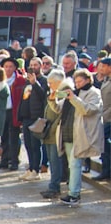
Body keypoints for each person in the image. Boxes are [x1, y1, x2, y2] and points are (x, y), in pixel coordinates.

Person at [53, 68, 104, 205]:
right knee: (72, 164)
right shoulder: (74, 93)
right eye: (76, 81)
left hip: (82, 134)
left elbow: (87, 110)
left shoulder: (94, 93)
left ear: (88, 80)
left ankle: (74, 194)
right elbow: (58, 109)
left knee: (75, 164)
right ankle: (73, 192)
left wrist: (74, 98)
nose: (77, 83)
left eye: (80, 81)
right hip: (68, 133)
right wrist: (52, 99)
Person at [40, 70, 69, 199]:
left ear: (58, 82)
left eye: (51, 83)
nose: (49, 85)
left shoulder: (64, 91)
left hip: (56, 131)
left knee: (55, 161)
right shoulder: (54, 91)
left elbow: (58, 111)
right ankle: (53, 185)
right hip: (50, 130)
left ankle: (54, 187)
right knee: (52, 160)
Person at [18, 67, 48, 181]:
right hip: (26, 117)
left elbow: (43, 96)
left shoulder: (43, 81)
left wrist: (35, 83)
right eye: (31, 64)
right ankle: (30, 168)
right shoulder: (26, 82)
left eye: (36, 65)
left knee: (35, 145)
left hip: (36, 118)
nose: (33, 67)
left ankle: (36, 170)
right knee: (28, 145)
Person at [0, 56, 27, 171]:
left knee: (14, 137)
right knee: (4, 137)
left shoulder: (20, 80)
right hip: (2, 111)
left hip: (15, 111)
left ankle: (14, 161)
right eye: (6, 66)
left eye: (10, 66)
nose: (8, 69)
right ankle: (4, 160)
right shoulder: (0, 80)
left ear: (15, 67)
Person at [93, 57, 111, 180]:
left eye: (103, 66)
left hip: (109, 117)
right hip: (104, 116)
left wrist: (105, 115)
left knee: (105, 143)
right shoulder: (106, 80)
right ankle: (106, 170)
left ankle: (107, 170)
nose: (100, 68)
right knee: (104, 145)